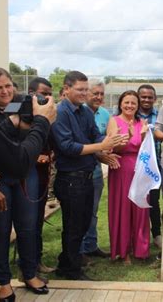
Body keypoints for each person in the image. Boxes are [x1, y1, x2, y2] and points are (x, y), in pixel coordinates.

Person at [0, 68, 56, 299]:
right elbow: (0, 137)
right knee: (1, 229)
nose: (5, 91)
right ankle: (3, 282)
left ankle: (29, 273)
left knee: (28, 226)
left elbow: (30, 129)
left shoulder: (18, 103)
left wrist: (28, 119)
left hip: (25, 173)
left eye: (8, 86)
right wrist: (16, 125)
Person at [51, 71, 126, 280]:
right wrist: (101, 146)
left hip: (86, 177)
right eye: (80, 90)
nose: (84, 94)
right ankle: (71, 270)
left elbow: (95, 134)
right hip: (70, 179)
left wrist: (112, 139)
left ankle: (66, 262)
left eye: (86, 90)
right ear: (66, 89)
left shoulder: (84, 112)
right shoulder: (61, 112)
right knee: (74, 227)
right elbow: (67, 147)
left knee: (83, 223)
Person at [107, 90, 149, 264]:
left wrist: (145, 135)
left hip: (140, 171)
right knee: (123, 210)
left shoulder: (142, 122)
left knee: (140, 209)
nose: (130, 106)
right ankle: (124, 252)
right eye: (127, 102)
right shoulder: (114, 121)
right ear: (120, 103)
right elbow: (111, 149)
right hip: (121, 170)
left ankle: (140, 249)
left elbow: (146, 150)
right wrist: (129, 138)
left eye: (133, 103)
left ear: (138, 105)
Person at [79, 79, 113, 258]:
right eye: (95, 93)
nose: (98, 97)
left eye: (101, 94)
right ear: (86, 94)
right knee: (79, 213)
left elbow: (105, 140)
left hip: (97, 172)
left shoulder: (105, 115)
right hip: (78, 172)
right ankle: (79, 250)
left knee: (93, 211)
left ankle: (91, 246)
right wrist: (99, 151)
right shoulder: (78, 112)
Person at [27, 77, 56, 275]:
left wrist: (51, 154)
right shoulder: (22, 116)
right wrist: (36, 156)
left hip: (43, 177)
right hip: (26, 178)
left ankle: (36, 260)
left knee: (37, 221)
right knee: (27, 223)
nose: (47, 97)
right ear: (31, 94)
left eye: (49, 94)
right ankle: (28, 265)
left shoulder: (48, 117)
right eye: (43, 93)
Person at [137, 84, 162, 249]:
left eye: (149, 97)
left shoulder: (159, 116)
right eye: (143, 97)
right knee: (137, 200)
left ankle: (157, 234)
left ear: (155, 99)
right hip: (136, 165)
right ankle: (137, 234)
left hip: (154, 165)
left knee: (153, 200)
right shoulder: (130, 113)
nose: (146, 100)